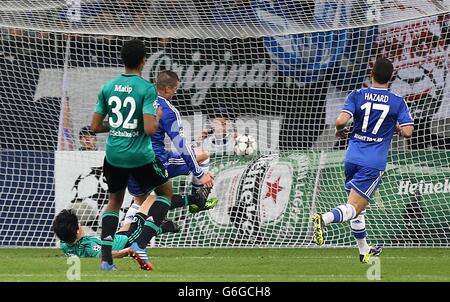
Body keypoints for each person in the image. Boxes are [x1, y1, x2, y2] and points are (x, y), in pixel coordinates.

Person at [312, 57, 414, 263]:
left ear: (372, 75)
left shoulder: (358, 94)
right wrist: (395, 126)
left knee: (358, 207)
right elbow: (408, 132)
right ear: (391, 77)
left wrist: (341, 131)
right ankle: (324, 219)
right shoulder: (397, 101)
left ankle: (363, 249)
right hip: (373, 161)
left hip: (352, 156)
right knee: (354, 207)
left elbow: (340, 121)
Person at [91, 39, 172, 271]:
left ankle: (106, 261)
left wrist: (118, 125)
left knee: (114, 202)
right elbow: (149, 129)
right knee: (165, 192)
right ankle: (140, 244)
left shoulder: (108, 87)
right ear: (143, 61)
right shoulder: (146, 89)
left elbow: (95, 127)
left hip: (114, 155)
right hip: (139, 156)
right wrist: (156, 116)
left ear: (122, 60)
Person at [126, 70, 216, 216]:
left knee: (139, 202)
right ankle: (197, 201)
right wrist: (200, 174)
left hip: (129, 162)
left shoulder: (138, 100)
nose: (175, 93)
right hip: (155, 162)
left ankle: (122, 235)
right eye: (175, 89)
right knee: (202, 155)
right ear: (167, 88)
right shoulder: (167, 109)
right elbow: (181, 145)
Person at [53, 207, 180, 259]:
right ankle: (193, 199)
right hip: (127, 240)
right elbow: (109, 255)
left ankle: (165, 227)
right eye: (78, 224)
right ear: (76, 230)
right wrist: (130, 250)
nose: (80, 225)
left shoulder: (64, 245)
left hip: (117, 236)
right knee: (150, 200)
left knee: (134, 211)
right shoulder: (88, 246)